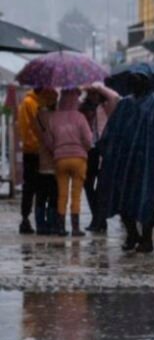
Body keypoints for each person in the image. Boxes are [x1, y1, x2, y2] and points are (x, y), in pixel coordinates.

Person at [97, 69, 154, 253]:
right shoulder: (125, 104)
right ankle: (132, 234)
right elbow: (113, 131)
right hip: (127, 163)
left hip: (151, 162)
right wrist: (107, 150)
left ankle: (147, 239)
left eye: (138, 80)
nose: (135, 84)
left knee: (148, 201)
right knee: (125, 201)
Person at [40, 89, 93, 237]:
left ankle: (61, 227)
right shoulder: (80, 117)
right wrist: (84, 149)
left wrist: (56, 150)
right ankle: (75, 228)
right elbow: (88, 140)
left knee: (62, 194)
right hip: (79, 159)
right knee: (76, 194)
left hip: (60, 159)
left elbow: (48, 140)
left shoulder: (54, 118)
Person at [16, 87, 57, 234]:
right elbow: (33, 128)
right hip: (34, 151)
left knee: (39, 188)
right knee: (32, 187)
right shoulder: (30, 103)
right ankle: (27, 219)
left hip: (37, 151)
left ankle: (38, 221)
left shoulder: (35, 103)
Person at [82, 83, 120, 233]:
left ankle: (99, 220)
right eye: (90, 93)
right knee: (88, 185)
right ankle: (97, 217)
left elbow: (115, 96)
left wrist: (99, 87)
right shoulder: (84, 108)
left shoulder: (107, 106)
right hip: (90, 150)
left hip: (105, 149)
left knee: (102, 187)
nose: (92, 96)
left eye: (95, 93)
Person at [31, 97, 59, 235]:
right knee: (54, 196)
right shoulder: (57, 118)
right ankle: (53, 224)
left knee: (41, 196)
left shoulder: (37, 117)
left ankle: (40, 225)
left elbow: (35, 133)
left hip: (41, 161)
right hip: (55, 163)